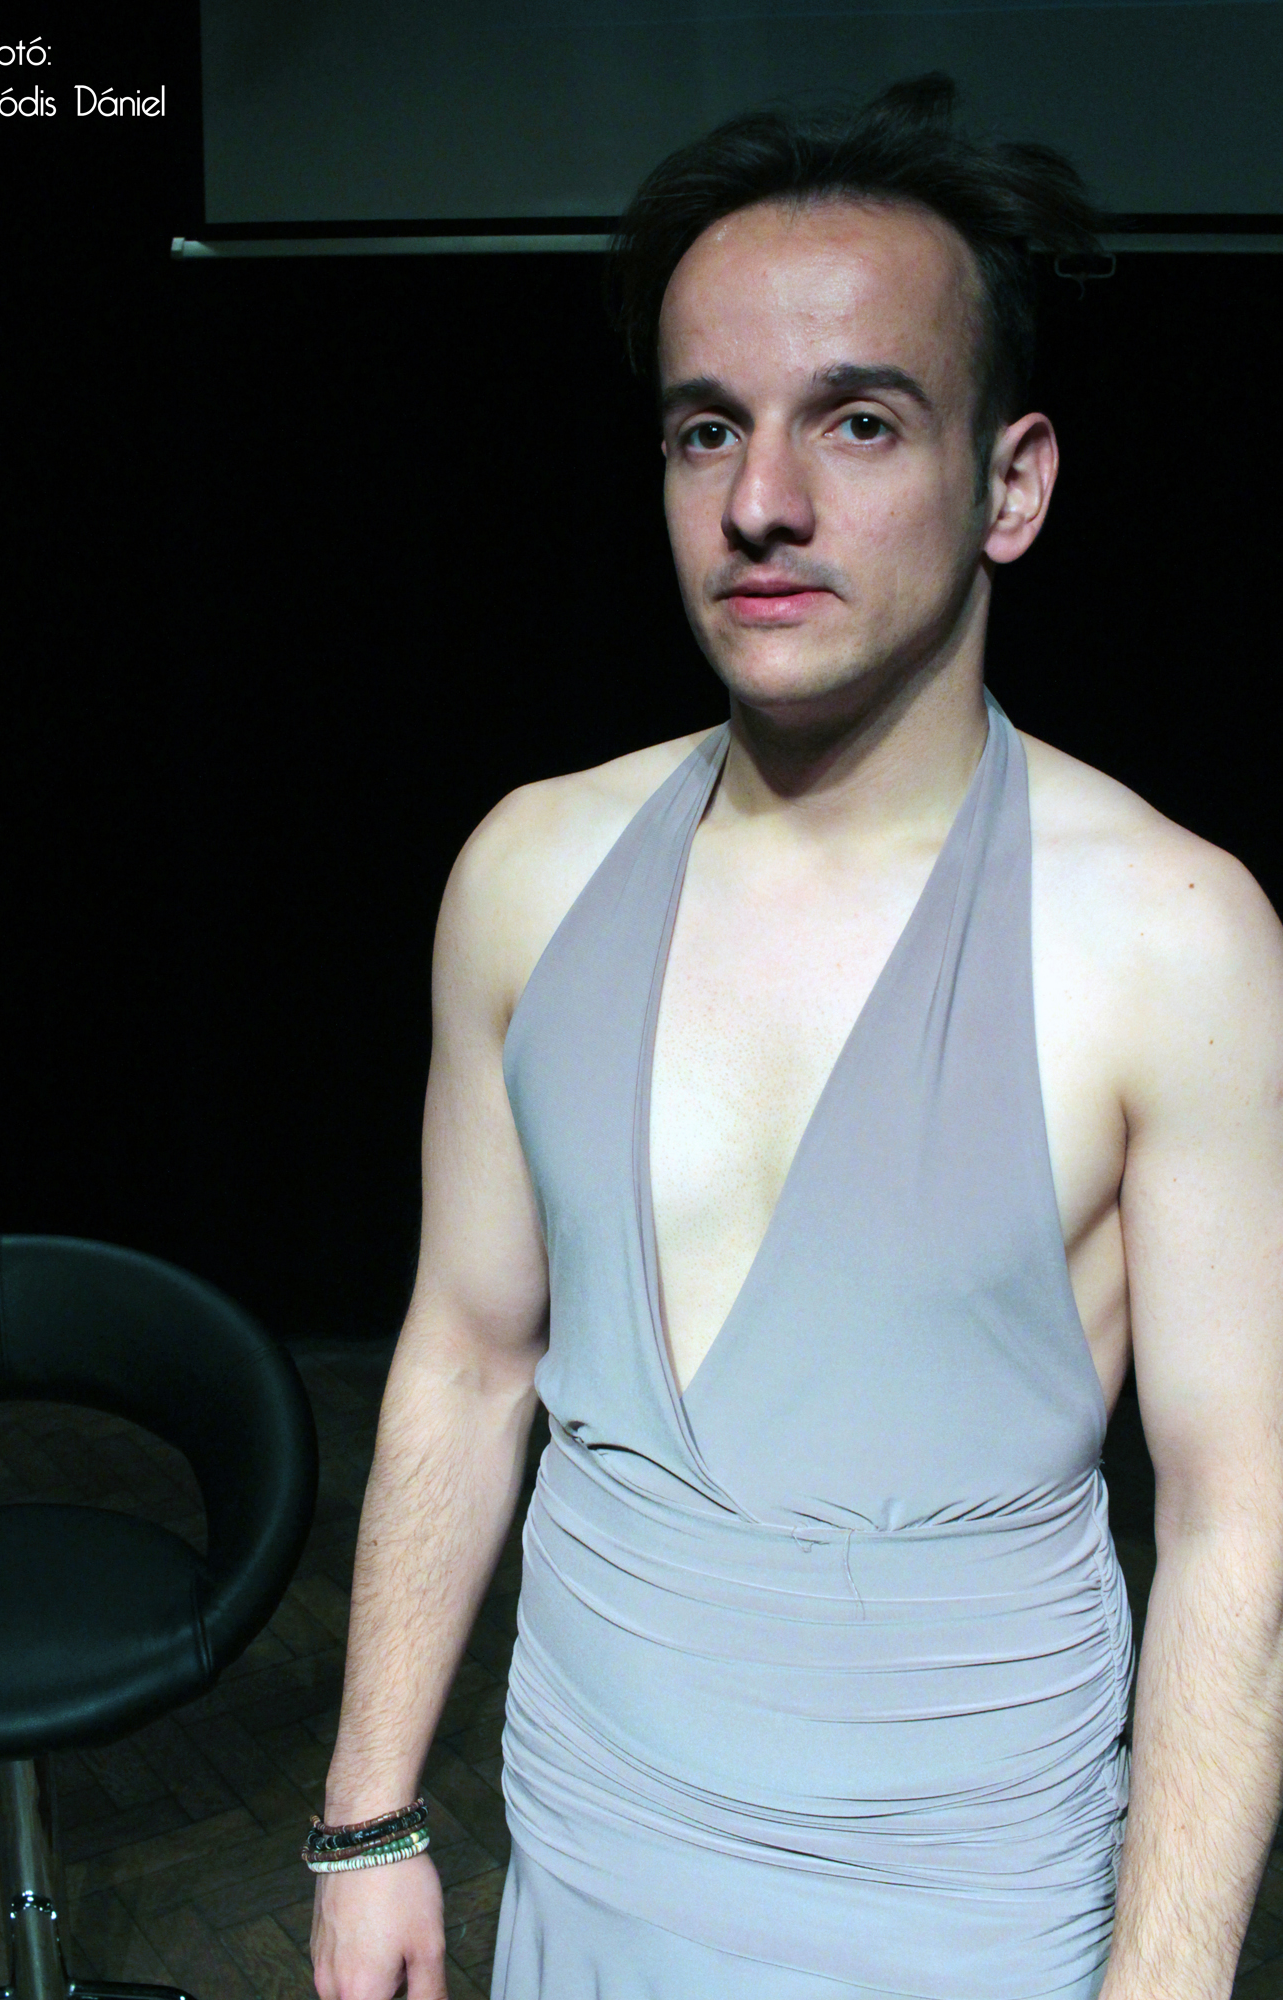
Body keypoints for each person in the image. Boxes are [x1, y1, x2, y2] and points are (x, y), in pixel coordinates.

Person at [309, 74, 1283, 2000]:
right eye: (706, 427)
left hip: (959, 1923)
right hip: (584, 1866)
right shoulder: (528, 873)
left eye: (857, 419)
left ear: (1011, 484)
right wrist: (367, 1817)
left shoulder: (1170, 937)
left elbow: (1239, 1524)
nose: (760, 500)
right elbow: (465, 1357)